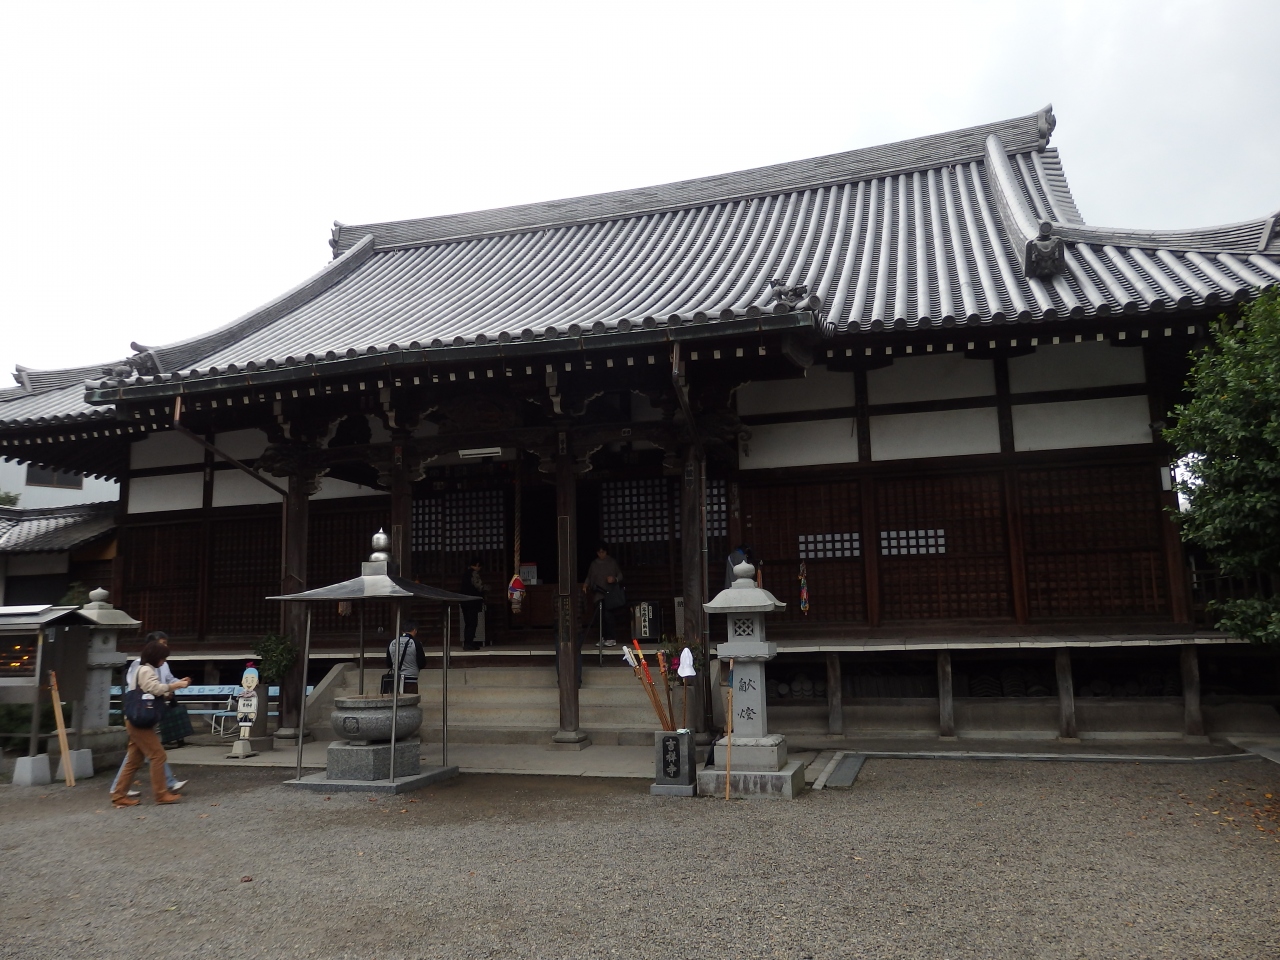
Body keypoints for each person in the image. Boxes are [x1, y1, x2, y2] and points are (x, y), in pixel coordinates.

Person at [110, 637, 190, 807]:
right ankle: (161, 794)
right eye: (163, 658)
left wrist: (171, 688)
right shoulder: (146, 670)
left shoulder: (142, 669)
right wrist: (176, 686)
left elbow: (152, 690)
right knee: (158, 755)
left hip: (135, 719)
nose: (164, 661)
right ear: (155, 657)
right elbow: (154, 688)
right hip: (140, 721)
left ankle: (119, 795)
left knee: (134, 760)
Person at [582, 542, 624, 647]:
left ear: (606, 552)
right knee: (599, 617)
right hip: (598, 593)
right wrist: (586, 584)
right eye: (599, 552)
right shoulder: (594, 564)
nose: (601, 554)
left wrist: (614, 579)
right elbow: (589, 576)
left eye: (603, 552)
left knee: (608, 616)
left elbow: (620, 575)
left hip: (610, 593)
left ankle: (611, 638)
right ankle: (602, 637)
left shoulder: (612, 562)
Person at [386, 621, 427, 693]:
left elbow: (389, 663)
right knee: (410, 699)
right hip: (411, 680)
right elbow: (422, 663)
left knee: (396, 699)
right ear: (414, 630)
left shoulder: (392, 642)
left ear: (402, 631)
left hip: (396, 680)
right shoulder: (416, 643)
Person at [459, 557, 486, 651]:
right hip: (472, 602)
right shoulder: (473, 574)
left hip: (464, 602)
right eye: (480, 566)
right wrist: (487, 588)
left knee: (468, 623)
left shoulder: (465, 574)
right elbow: (479, 586)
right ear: (477, 565)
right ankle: (468, 643)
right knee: (472, 623)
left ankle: (468, 642)